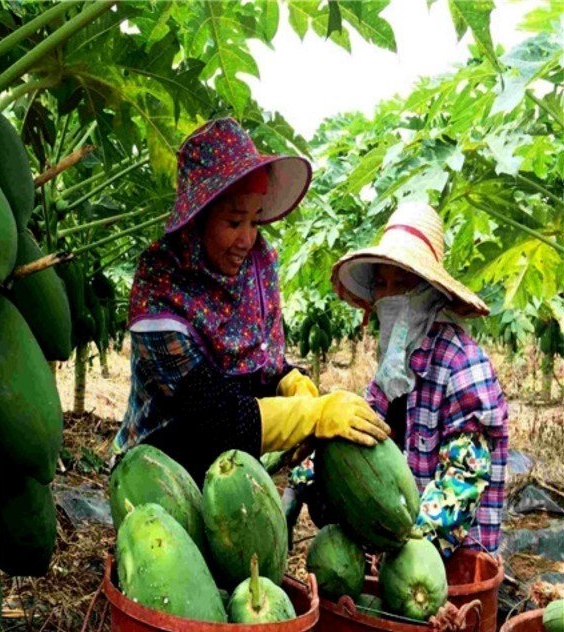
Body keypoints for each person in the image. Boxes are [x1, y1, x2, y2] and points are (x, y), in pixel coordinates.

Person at [113, 118, 390, 482]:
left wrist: (291, 380)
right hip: (162, 460)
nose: (247, 239)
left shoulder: (257, 266)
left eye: (255, 221)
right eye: (233, 222)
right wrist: (312, 415)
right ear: (198, 219)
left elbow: (258, 366)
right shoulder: (161, 291)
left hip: (231, 464)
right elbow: (213, 418)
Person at [327, 201, 509, 555]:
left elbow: (462, 485)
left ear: (430, 292)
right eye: (383, 284)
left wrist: (407, 550)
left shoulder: (462, 364)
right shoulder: (392, 369)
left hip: (455, 561)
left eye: (404, 283)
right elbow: (366, 431)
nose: (391, 296)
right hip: (400, 548)